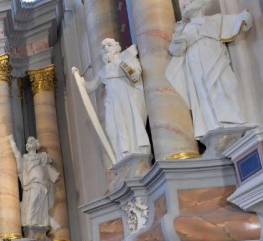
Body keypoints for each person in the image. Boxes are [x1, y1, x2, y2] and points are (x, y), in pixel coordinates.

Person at [165, 0, 252, 139]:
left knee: (226, 84)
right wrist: (178, 35)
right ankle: (213, 124)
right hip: (196, 64)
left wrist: (245, 17)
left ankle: (233, 119)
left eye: (190, 1)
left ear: (202, 4)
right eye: (184, 3)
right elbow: (176, 50)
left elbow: (239, 21)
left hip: (215, 56)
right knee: (204, 93)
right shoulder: (186, 29)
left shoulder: (215, 20)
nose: (185, 4)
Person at [76, 38, 150, 159]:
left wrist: (130, 69)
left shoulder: (126, 60)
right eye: (103, 47)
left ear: (117, 48)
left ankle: (134, 150)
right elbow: (90, 87)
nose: (105, 48)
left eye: (109, 45)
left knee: (130, 123)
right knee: (111, 128)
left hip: (126, 98)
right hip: (112, 102)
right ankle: (122, 153)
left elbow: (135, 76)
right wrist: (79, 79)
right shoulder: (104, 70)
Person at [10, 136, 60, 229]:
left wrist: (48, 165)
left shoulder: (41, 156)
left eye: (32, 141)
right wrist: (12, 143)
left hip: (42, 182)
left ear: (36, 144)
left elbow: (49, 162)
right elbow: (17, 157)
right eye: (29, 142)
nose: (30, 143)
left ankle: (37, 221)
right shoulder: (25, 157)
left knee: (40, 203)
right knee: (32, 201)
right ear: (27, 146)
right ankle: (30, 223)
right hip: (32, 182)